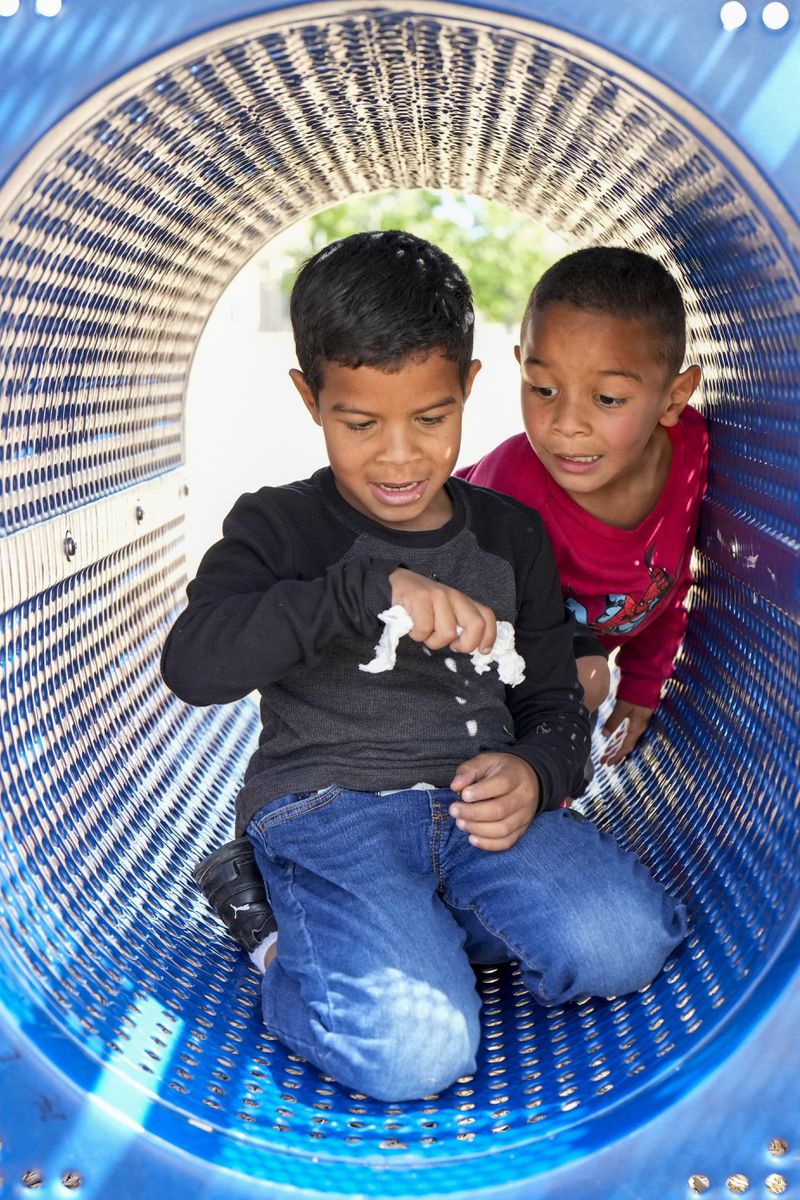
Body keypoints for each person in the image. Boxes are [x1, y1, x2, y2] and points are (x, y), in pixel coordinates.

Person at [161, 231, 687, 1102]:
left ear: (470, 389)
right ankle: (276, 937)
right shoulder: (279, 526)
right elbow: (195, 664)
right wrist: (361, 592)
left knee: (624, 945)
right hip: (331, 817)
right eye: (360, 423)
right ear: (310, 398)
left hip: (479, 819)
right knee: (418, 1054)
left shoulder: (509, 534)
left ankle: (403, 932)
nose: (400, 456)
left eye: (432, 419)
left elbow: (557, 701)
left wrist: (536, 770)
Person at [461, 246, 708, 770]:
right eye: (543, 388)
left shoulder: (692, 461)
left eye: (609, 399)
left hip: (571, 666)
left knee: (584, 685)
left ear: (673, 398)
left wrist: (641, 688)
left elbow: (669, 585)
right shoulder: (509, 486)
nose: (565, 423)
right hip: (472, 629)